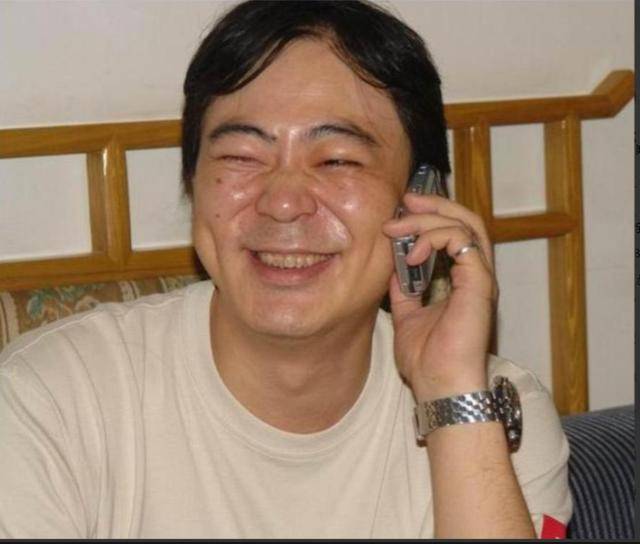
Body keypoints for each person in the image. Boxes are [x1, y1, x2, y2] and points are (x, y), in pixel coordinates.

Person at [0, 0, 572, 538]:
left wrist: (451, 395)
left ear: (420, 198)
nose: (283, 202)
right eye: (241, 156)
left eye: (338, 160)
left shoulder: (495, 412)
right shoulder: (49, 400)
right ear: (192, 183)